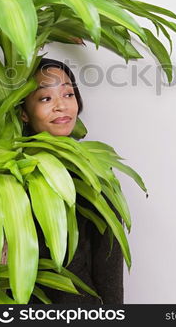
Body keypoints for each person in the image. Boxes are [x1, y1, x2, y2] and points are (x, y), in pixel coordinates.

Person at [19, 57, 124, 304]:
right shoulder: (9, 176)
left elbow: (108, 261)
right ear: (23, 112)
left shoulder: (92, 171)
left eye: (68, 94)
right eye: (46, 98)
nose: (61, 106)